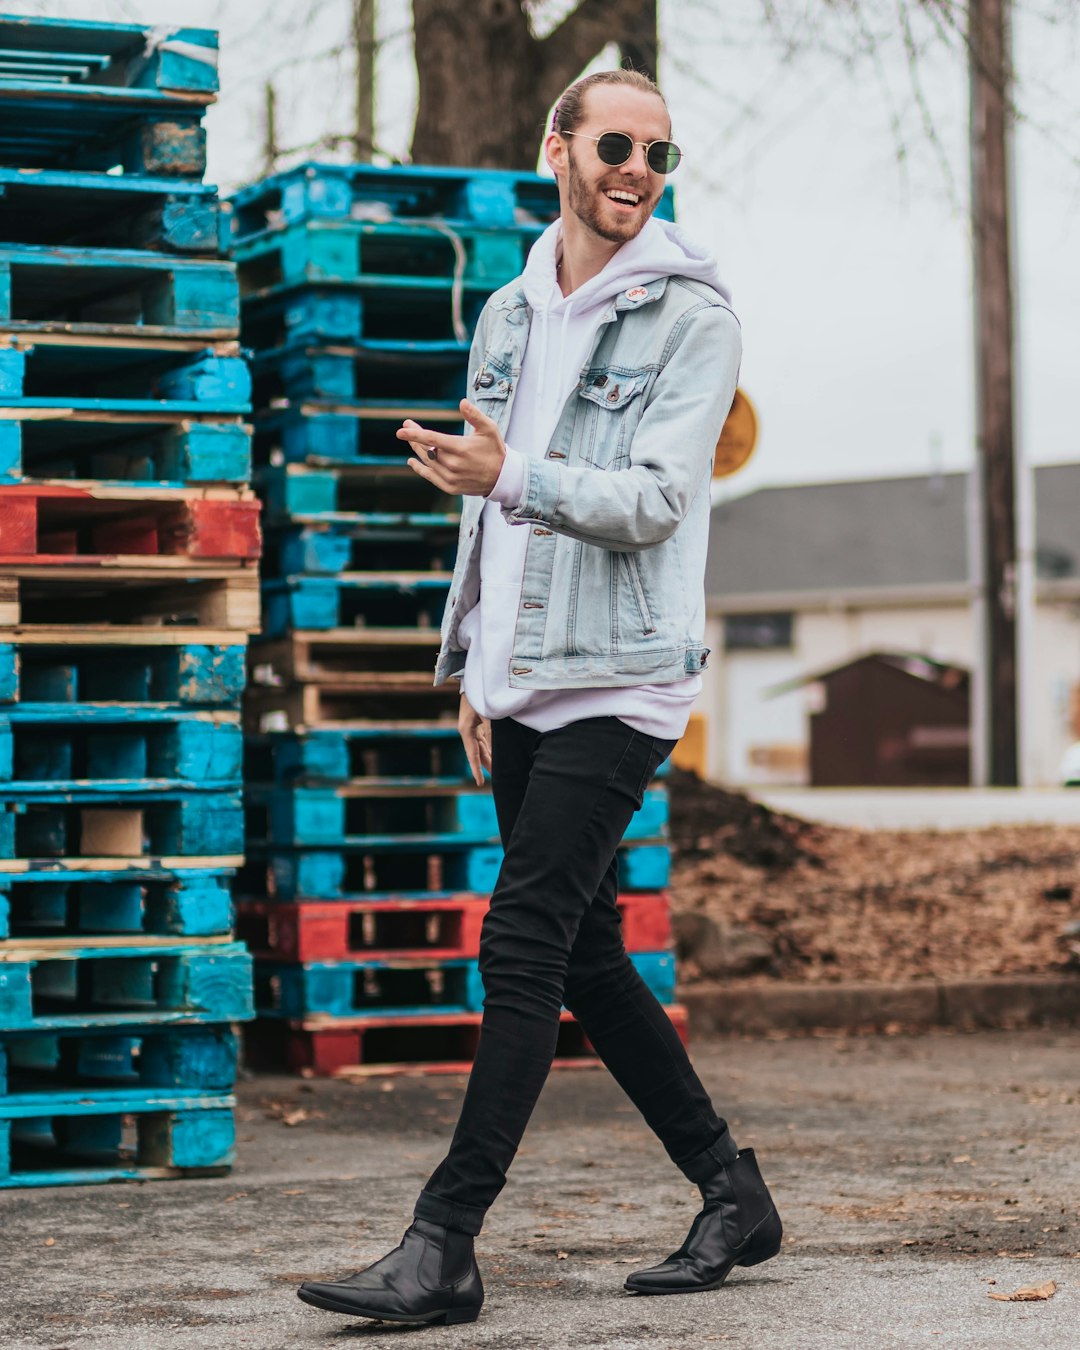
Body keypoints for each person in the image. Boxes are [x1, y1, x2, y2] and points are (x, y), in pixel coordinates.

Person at [298, 67, 781, 1328]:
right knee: (583, 956)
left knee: (517, 944)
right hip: (527, 679)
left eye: (659, 155)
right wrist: (476, 663)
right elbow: (489, 511)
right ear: (554, 147)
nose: (635, 169)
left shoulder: (693, 319)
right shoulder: (512, 310)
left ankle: (444, 1242)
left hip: (622, 680)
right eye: (614, 144)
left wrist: (511, 473)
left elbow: (654, 502)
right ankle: (733, 1189)